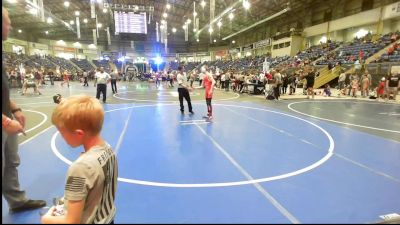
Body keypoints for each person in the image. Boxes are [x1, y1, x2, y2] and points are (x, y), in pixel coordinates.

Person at [41, 95, 118, 224]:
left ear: (79, 133)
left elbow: (71, 221)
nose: (61, 136)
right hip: (107, 218)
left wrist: (46, 219)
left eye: (62, 131)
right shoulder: (108, 149)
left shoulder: (82, 167)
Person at [2, 6, 46, 214]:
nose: (10, 26)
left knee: (11, 161)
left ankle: (16, 201)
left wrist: (15, 108)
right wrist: (5, 121)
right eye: (7, 22)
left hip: (7, 117)